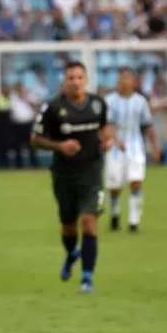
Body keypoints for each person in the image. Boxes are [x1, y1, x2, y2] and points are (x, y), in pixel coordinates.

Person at [30, 61, 114, 294]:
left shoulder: (98, 104)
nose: (75, 82)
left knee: (88, 222)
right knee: (68, 227)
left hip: (92, 172)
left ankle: (87, 277)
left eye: (79, 77)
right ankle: (71, 253)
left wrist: (107, 140)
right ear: (65, 81)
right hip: (64, 175)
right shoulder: (53, 108)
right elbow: (35, 139)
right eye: (71, 78)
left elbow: (105, 127)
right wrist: (59, 145)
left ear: (86, 80)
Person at [104, 68, 159, 233]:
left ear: (134, 82)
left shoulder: (141, 102)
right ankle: (114, 213)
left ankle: (134, 221)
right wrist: (115, 140)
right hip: (114, 149)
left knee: (135, 182)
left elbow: (148, 125)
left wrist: (155, 147)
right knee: (115, 187)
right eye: (122, 79)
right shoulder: (109, 101)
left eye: (128, 79)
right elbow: (106, 125)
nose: (125, 82)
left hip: (135, 147)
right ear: (117, 81)